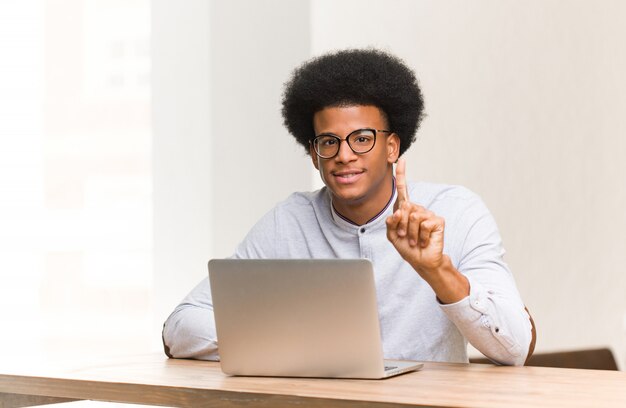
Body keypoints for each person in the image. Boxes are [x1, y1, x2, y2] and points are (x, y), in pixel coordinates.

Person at [162, 48, 535, 365]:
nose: (343, 155)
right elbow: (179, 329)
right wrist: (296, 344)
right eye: (329, 141)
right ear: (314, 154)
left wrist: (437, 271)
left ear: (392, 147)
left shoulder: (456, 211)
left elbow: (516, 347)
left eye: (361, 139)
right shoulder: (287, 223)